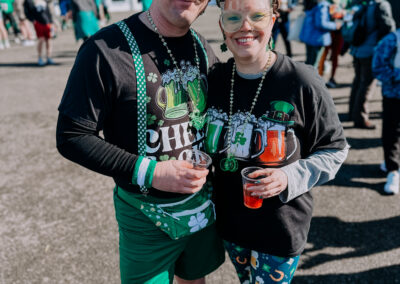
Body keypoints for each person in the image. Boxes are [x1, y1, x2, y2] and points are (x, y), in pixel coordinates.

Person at [56, 0, 225, 283]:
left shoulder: (201, 46)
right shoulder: (105, 48)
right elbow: (72, 135)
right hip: (144, 215)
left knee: (195, 278)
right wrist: (153, 172)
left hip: (200, 206)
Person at [208, 0, 348, 282]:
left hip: (280, 229)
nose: (245, 27)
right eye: (233, 18)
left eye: (256, 16)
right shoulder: (215, 79)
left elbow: (335, 150)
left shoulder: (302, 80)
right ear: (222, 26)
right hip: (230, 225)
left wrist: (288, 176)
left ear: (273, 20)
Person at [348, 0, 395, 129]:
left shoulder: (366, 4)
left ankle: (352, 113)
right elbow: (388, 27)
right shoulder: (382, 5)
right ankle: (361, 118)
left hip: (358, 49)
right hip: (370, 50)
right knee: (367, 84)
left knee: (358, 81)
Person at [372, 28, 400, 194]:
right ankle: (393, 169)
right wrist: (397, 76)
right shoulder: (392, 39)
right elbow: (378, 67)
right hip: (394, 95)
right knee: (392, 131)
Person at [300, 0, 342, 67]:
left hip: (309, 37)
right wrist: (335, 25)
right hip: (317, 38)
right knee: (314, 65)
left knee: (309, 62)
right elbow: (321, 24)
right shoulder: (323, 5)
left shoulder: (313, 3)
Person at [317, 0, 345, 88]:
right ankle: (318, 78)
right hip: (328, 31)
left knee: (335, 55)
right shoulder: (326, 3)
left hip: (339, 31)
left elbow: (349, 10)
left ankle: (332, 78)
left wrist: (344, 13)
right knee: (323, 55)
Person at [24, 0, 55, 66]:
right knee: (41, 39)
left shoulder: (44, 1)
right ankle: (40, 58)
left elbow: (48, 11)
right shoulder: (29, 1)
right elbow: (27, 12)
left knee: (49, 40)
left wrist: (51, 22)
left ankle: (49, 57)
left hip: (47, 22)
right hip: (38, 23)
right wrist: (33, 20)